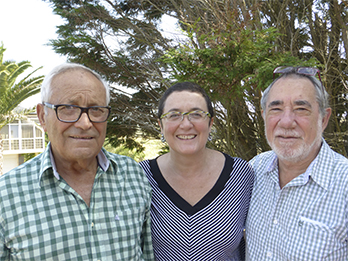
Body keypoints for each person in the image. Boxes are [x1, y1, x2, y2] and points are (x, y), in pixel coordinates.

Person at [0, 63, 154, 260]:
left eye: (96, 110)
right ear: (42, 116)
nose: (85, 123)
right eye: (68, 109)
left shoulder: (132, 176)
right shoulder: (6, 195)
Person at [139, 82, 254, 260]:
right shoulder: (140, 177)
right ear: (160, 125)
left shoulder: (241, 174)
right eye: (174, 115)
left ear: (211, 123)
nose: (186, 124)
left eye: (196, 114)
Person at [245, 66, 348, 260]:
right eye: (275, 109)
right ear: (264, 116)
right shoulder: (254, 170)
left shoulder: (343, 185)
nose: (286, 122)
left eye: (301, 109)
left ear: (324, 119)